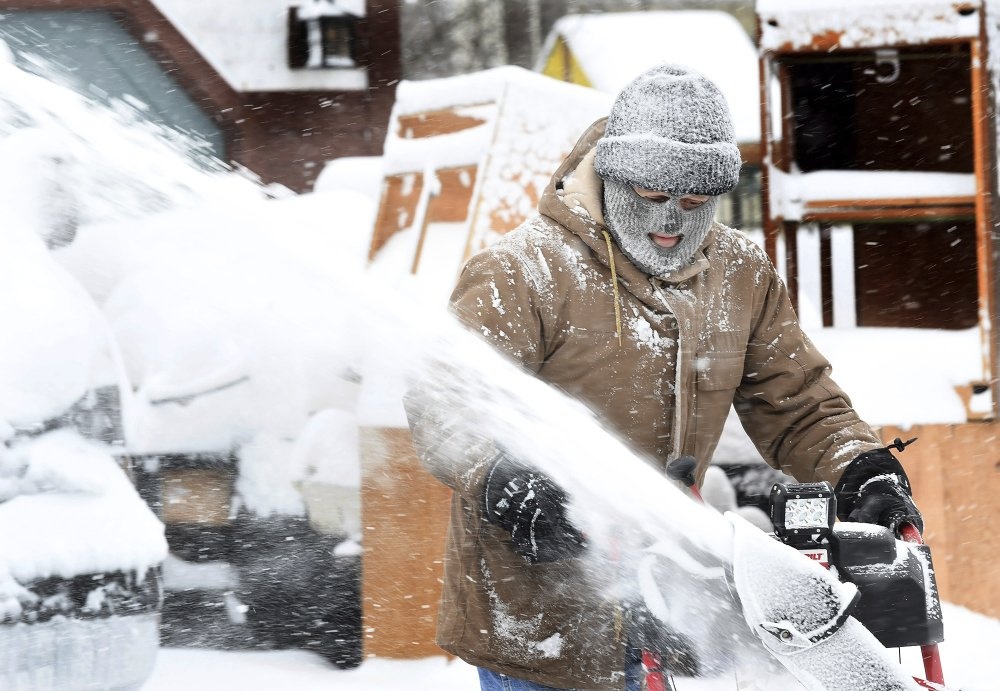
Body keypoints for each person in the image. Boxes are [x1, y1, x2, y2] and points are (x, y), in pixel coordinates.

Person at [405, 64, 923, 691]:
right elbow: (444, 401)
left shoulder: (739, 274)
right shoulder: (525, 272)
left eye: (696, 202)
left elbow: (799, 401)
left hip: (664, 601)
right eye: (652, 199)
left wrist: (857, 465)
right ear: (616, 176)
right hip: (540, 613)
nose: (672, 221)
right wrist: (501, 478)